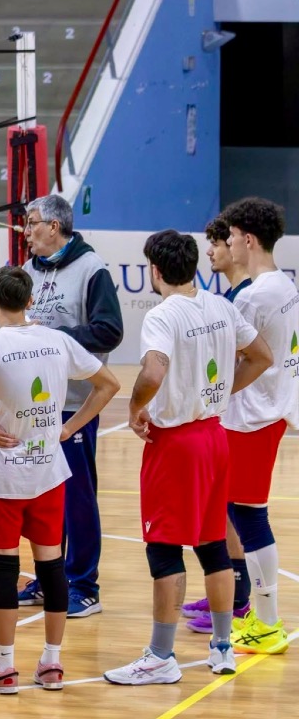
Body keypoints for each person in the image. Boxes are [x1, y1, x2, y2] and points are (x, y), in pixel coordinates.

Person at [104, 230, 271, 685]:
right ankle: (221, 647)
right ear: (193, 264)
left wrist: (135, 408)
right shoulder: (220, 305)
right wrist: (218, 393)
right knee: (213, 543)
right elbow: (260, 356)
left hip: (176, 444)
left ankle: (160, 655)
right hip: (215, 436)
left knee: (164, 549)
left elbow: (153, 370)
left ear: (155, 271)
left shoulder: (163, 315)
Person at [0, 193, 122, 617]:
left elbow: (109, 330)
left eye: (31, 223)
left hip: (71, 405)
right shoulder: (28, 271)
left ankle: (85, 585)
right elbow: (11, 328)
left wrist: (56, 340)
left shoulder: (91, 268)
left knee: (77, 494)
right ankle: (52, 580)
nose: (24, 232)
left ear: (56, 225)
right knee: (43, 495)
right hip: (27, 407)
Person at [0, 267, 120, 693]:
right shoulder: (58, 339)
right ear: (30, 301)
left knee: (4, 571)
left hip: (4, 477)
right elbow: (108, 384)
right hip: (49, 473)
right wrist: (71, 428)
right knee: (52, 569)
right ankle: (51, 664)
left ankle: (5, 667)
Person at [220, 198, 299, 655]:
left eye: (230, 238)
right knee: (241, 513)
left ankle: (267, 622)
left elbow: (238, 358)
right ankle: (261, 613)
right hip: (268, 412)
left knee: (249, 517)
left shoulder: (254, 295)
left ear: (248, 239)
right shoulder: (281, 285)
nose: (228, 245)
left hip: (253, 417)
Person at [180, 216, 254, 633]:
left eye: (217, 244)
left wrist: (223, 394)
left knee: (236, 513)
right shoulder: (231, 295)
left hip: (238, 420)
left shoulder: (243, 299)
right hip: (227, 419)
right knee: (222, 511)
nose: (210, 251)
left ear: (238, 244)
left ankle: (239, 599)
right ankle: (226, 591)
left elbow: (256, 358)